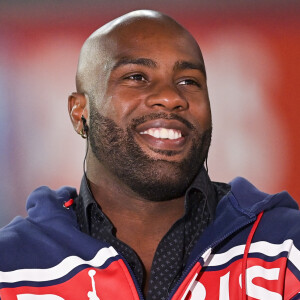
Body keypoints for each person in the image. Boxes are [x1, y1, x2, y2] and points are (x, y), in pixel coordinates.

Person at [0, 10, 299, 300]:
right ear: (80, 112)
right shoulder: (11, 267)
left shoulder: (285, 249)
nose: (171, 97)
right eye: (136, 77)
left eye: (188, 82)